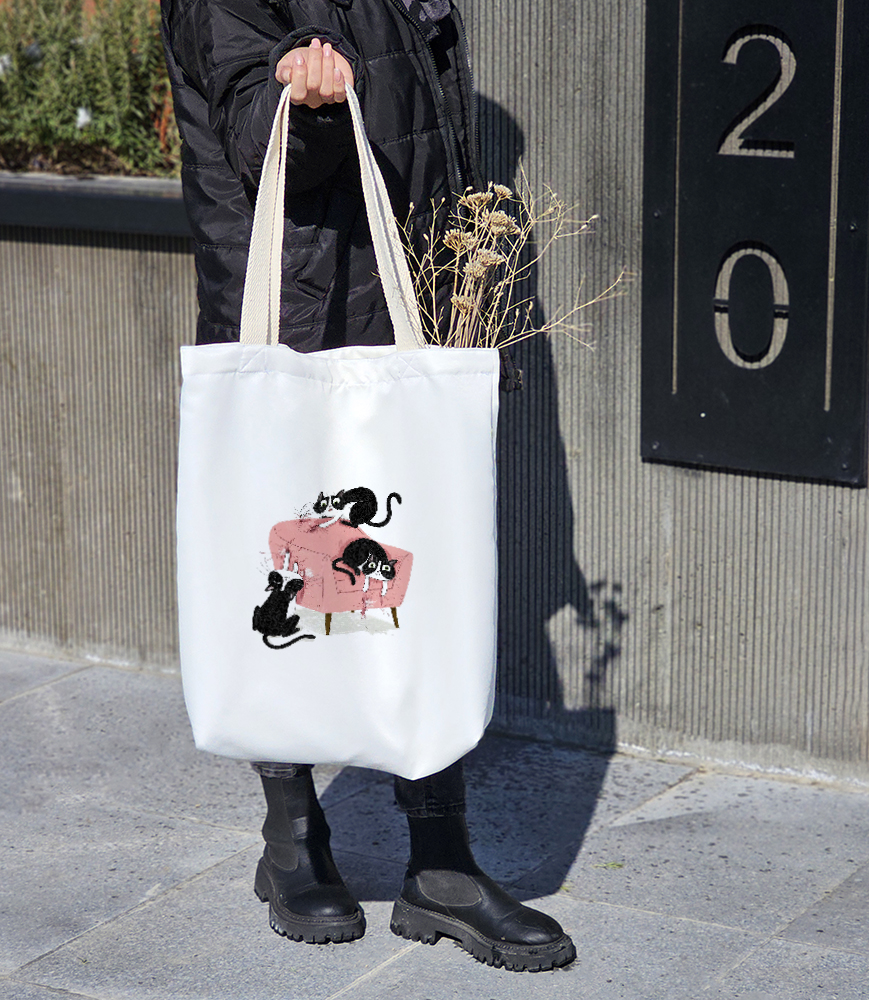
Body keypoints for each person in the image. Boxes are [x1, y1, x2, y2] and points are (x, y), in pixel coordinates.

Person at [159, 0, 574, 973]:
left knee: (413, 579)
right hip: (297, 302)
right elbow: (254, 136)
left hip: (399, 300)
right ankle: (293, 837)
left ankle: (442, 861)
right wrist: (301, 106)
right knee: (291, 576)